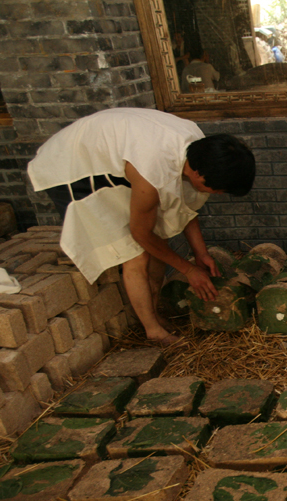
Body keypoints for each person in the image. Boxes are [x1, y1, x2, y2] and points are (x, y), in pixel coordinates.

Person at [27, 108, 256, 345]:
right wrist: (188, 270)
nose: (217, 194)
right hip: (73, 165)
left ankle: (153, 312)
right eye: (217, 189)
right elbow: (141, 234)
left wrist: (201, 254)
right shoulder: (153, 176)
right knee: (134, 253)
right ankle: (152, 330)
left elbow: (185, 207)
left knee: (159, 238)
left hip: (120, 156)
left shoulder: (199, 149)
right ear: (198, 174)